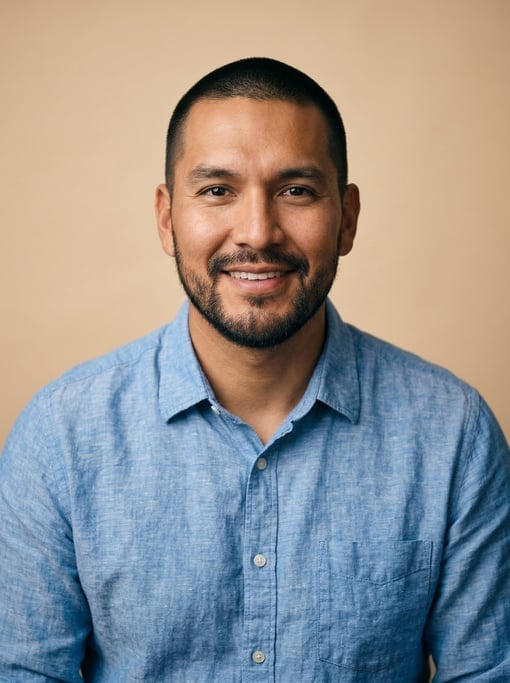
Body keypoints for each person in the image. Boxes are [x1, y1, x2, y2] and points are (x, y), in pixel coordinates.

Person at [0, 57, 509, 683]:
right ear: (167, 218)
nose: (258, 232)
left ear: (347, 217)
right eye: (217, 190)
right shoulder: (60, 437)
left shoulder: (453, 433)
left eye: (296, 190)